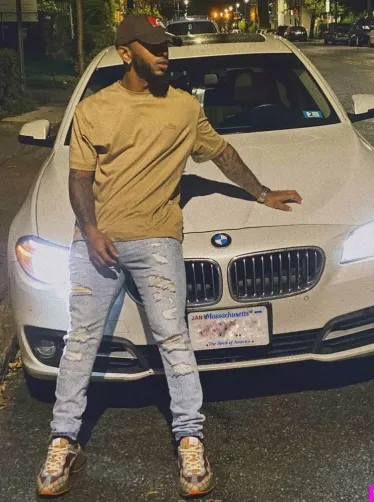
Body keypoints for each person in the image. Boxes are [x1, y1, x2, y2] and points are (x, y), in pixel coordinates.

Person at [36, 14, 303, 498]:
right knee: (81, 341)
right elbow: (79, 178)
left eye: (166, 46)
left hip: (156, 240)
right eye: (153, 47)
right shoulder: (94, 109)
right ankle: (63, 440)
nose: (163, 54)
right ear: (126, 53)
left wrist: (262, 193)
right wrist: (91, 231)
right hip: (96, 243)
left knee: (174, 339)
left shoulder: (183, 108)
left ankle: (190, 438)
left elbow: (221, 153)